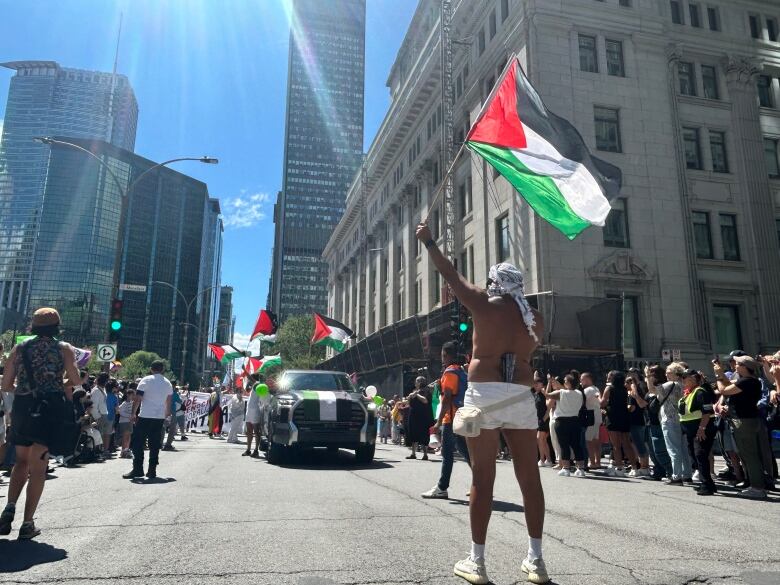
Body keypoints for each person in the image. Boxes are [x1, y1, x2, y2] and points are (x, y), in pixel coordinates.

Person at [419, 221, 549, 585]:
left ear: (494, 283)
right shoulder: (535, 319)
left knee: (483, 477)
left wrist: (429, 241)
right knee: (530, 477)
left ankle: (477, 562)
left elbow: (450, 274)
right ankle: (535, 560)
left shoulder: (484, 304)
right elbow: (531, 348)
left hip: (485, 393)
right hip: (520, 395)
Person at [0, 308, 81, 539]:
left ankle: (9, 507)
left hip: (23, 408)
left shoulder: (20, 348)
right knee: (38, 467)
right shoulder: (63, 349)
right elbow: (75, 380)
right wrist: (57, 380)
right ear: (56, 327)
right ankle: (27, 524)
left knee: (21, 462)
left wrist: (25, 390)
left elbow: (6, 385)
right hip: (49, 410)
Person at [712, 355, 767, 499]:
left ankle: (757, 487)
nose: (735, 365)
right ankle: (753, 484)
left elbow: (724, 390)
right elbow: (729, 384)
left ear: (744, 366)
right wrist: (721, 373)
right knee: (746, 454)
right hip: (748, 420)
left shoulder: (747, 382)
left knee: (750, 455)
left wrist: (718, 375)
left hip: (744, 421)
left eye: (737, 363)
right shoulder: (749, 381)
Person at [421, 342, 471, 497]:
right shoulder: (461, 372)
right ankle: (481, 482)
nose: (442, 359)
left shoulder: (449, 373)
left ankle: (442, 487)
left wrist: (438, 422)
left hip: (451, 418)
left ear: (449, 355)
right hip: (462, 416)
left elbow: (447, 398)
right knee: (465, 451)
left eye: (444, 355)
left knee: (447, 453)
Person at [123, 360, 173, 480]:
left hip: (145, 415)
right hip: (159, 417)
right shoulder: (168, 383)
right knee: (154, 444)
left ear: (151, 369)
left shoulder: (146, 380)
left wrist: (133, 413)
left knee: (137, 443)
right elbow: (169, 401)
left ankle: (138, 468)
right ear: (162, 369)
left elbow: (138, 398)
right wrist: (166, 414)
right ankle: (152, 470)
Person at [647, 362, 691, 484]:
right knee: (683, 449)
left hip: (669, 419)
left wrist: (648, 377)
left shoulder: (670, 384)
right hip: (681, 419)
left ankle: (676, 476)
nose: (666, 373)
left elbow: (652, 390)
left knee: (673, 449)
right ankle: (687, 474)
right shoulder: (683, 385)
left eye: (669, 371)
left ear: (676, 374)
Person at [678, 370, 717, 495]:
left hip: (701, 430)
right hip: (691, 432)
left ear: (694, 379)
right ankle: (708, 483)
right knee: (695, 456)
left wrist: (702, 429)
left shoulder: (700, 392)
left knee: (701, 455)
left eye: (685, 378)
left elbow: (707, 412)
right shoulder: (688, 393)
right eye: (682, 378)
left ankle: (706, 484)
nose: (682, 380)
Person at [545, 374, 586, 477]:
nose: (564, 382)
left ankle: (566, 468)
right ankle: (581, 469)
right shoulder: (579, 393)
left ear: (568, 383)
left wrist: (549, 383)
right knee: (576, 445)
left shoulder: (561, 392)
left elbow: (547, 394)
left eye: (565, 381)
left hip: (562, 421)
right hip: (575, 421)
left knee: (564, 445)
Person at [600, 371, 632, 477]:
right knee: (627, 444)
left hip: (613, 417)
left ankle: (619, 468)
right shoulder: (625, 388)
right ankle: (635, 467)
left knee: (616, 445)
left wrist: (598, 398)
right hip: (624, 416)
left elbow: (603, 402)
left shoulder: (609, 388)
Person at [626, 372, 650, 477]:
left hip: (635, 422)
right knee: (639, 444)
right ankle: (644, 466)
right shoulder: (639, 392)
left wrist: (624, 408)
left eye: (626, 382)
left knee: (639, 444)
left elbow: (632, 408)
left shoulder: (632, 394)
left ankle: (644, 467)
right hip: (640, 421)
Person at [406, 376, 434, 460]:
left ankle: (425, 454)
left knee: (424, 435)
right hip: (413, 416)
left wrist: (416, 394)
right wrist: (410, 396)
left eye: (416, 381)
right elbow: (408, 401)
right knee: (413, 434)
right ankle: (413, 454)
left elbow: (425, 400)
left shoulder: (426, 391)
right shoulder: (415, 391)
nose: (415, 383)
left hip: (423, 417)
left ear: (420, 382)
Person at [580, 373, 602, 470]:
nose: (580, 381)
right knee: (595, 440)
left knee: (588, 441)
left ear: (588, 379)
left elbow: (580, 401)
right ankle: (597, 462)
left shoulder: (588, 390)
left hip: (590, 418)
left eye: (582, 379)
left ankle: (592, 462)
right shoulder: (596, 388)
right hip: (597, 417)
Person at [90, 373, 111, 458]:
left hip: (105, 413)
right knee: (99, 434)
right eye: (107, 380)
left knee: (105, 433)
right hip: (100, 415)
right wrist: (97, 417)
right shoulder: (95, 390)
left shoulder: (103, 389)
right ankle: (98, 452)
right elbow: (94, 406)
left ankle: (104, 451)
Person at [533, 376, 552, 467]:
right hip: (538, 420)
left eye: (538, 383)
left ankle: (542, 459)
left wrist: (544, 419)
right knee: (543, 440)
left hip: (544, 420)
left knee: (540, 439)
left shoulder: (544, 393)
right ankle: (548, 460)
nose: (536, 385)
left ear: (542, 384)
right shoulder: (535, 394)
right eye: (534, 383)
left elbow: (549, 407)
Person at [244, 375, 263, 458]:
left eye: (250, 379)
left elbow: (251, 379)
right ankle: (248, 450)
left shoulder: (258, 384)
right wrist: (248, 385)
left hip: (255, 410)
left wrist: (245, 370)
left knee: (256, 431)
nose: (249, 380)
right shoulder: (253, 386)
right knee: (249, 431)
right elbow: (247, 390)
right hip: (249, 410)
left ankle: (256, 450)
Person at [163, 386, 186, 450]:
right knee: (172, 429)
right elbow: (180, 401)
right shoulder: (174, 394)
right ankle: (168, 444)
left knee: (163, 428)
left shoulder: (163, 392)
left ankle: (159, 443)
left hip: (163, 411)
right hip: (172, 412)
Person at [117, 388, 135, 458]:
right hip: (124, 422)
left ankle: (127, 449)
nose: (133, 396)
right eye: (131, 395)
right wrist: (129, 416)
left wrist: (133, 417)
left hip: (130, 422)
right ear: (127, 395)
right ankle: (123, 450)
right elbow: (120, 412)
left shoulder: (132, 403)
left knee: (129, 436)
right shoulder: (124, 403)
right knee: (125, 436)